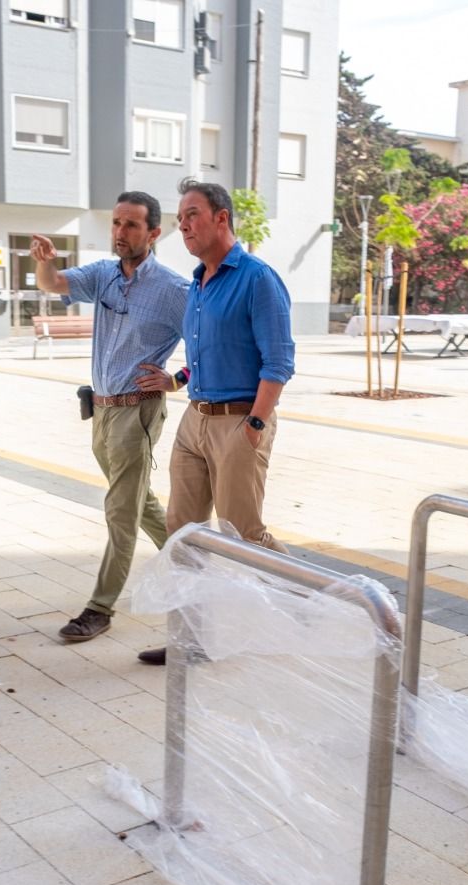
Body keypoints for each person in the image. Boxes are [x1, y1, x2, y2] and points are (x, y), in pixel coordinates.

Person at [135, 179, 296, 666]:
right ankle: (189, 641)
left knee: (243, 532)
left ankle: (309, 600)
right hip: (194, 421)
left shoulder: (257, 279)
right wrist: (176, 379)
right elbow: (203, 355)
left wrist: (254, 426)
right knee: (183, 534)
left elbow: (278, 362)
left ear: (221, 218)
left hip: (239, 422)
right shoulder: (199, 284)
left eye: (192, 215)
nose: (182, 226)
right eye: (180, 218)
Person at [30, 191, 189, 644]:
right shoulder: (103, 274)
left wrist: (176, 379)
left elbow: (208, 347)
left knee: (120, 512)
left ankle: (100, 609)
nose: (120, 232)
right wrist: (44, 262)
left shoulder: (174, 290)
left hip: (137, 413)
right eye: (117, 223)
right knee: (139, 502)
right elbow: (53, 283)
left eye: (131, 225)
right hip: (101, 411)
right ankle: (196, 562)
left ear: (153, 233)